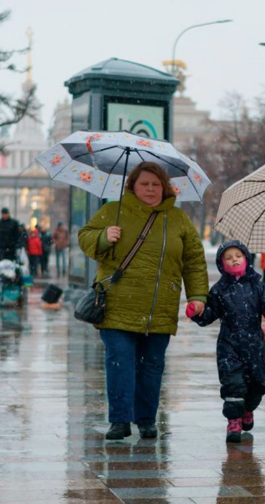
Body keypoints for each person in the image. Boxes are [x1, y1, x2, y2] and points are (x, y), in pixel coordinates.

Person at [78, 161, 209, 440]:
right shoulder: (112, 211)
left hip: (159, 307)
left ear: (165, 187)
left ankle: (147, 419)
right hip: (117, 305)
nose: (150, 189)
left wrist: (198, 296)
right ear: (132, 186)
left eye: (155, 184)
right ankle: (120, 420)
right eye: (144, 184)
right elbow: (85, 237)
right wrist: (103, 237)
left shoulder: (178, 220)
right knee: (120, 361)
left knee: (151, 366)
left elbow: (194, 261)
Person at [188, 240, 265, 443]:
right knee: (233, 384)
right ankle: (233, 420)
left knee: (256, 384)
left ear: (246, 259)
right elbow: (209, 314)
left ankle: (248, 409)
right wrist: (197, 313)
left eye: (238, 256)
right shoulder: (219, 289)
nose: (234, 260)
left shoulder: (258, 286)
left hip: (255, 346)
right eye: (229, 258)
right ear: (222, 263)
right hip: (229, 345)